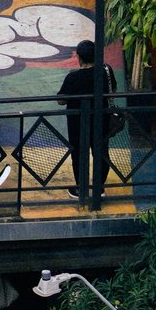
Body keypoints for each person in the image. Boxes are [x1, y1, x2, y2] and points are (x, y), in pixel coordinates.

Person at [57, 39, 114, 199]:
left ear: (79, 57)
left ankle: (81, 188)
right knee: (101, 152)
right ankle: (99, 187)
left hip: (77, 121)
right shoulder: (106, 71)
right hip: (101, 117)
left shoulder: (73, 78)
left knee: (78, 153)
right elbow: (112, 90)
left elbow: (61, 100)